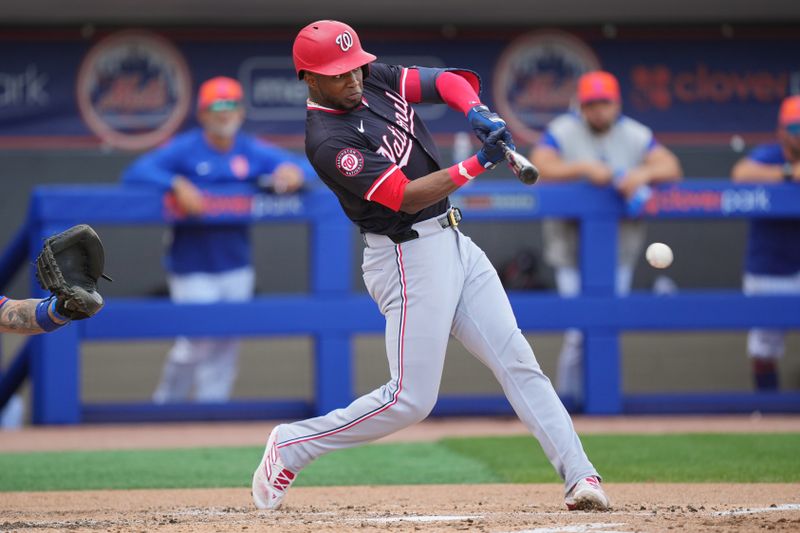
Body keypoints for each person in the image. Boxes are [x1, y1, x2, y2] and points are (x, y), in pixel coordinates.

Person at [251, 20, 609, 512]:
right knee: (410, 401)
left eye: (355, 65)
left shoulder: (369, 76)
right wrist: (478, 164)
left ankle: (580, 476)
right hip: (404, 255)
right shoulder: (327, 140)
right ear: (310, 78)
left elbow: (445, 81)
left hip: (455, 242)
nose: (353, 78)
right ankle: (293, 445)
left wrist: (476, 110)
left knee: (519, 362)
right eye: (338, 73)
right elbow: (402, 196)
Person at [122, 76, 315, 404]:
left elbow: (300, 166)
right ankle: (165, 407)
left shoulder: (249, 149)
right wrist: (175, 183)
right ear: (203, 114)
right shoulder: (187, 148)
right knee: (194, 342)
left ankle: (213, 414)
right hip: (191, 264)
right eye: (216, 108)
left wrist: (294, 173)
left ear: (240, 113)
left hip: (236, 262)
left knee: (227, 342)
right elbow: (136, 172)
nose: (224, 114)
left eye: (231, 107)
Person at [530, 71, 682, 405]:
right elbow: (539, 166)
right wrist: (584, 169)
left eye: (604, 104)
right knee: (578, 332)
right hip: (570, 249)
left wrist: (641, 173)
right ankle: (565, 401)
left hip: (619, 250)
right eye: (592, 104)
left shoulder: (635, 134)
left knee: (605, 330)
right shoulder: (563, 130)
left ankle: (590, 398)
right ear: (582, 107)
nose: (599, 111)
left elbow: (670, 165)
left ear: (617, 104)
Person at [731, 94, 800, 391]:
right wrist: (787, 173)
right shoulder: (770, 155)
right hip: (769, 266)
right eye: (796, 128)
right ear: (782, 131)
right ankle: (768, 412)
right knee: (764, 350)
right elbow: (740, 174)